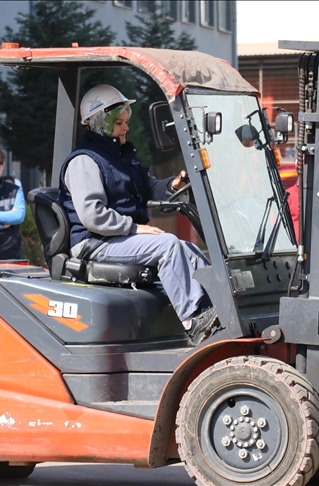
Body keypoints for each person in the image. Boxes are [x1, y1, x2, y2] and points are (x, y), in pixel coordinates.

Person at [58, 84, 218, 345]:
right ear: (101, 123)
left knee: (188, 249)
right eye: (119, 122)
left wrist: (173, 185)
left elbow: (149, 188)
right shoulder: (85, 161)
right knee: (167, 246)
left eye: (125, 121)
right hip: (95, 242)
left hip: (114, 238)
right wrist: (134, 228)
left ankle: (221, 310)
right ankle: (194, 320)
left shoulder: (120, 158)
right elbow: (92, 216)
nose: (126, 127)